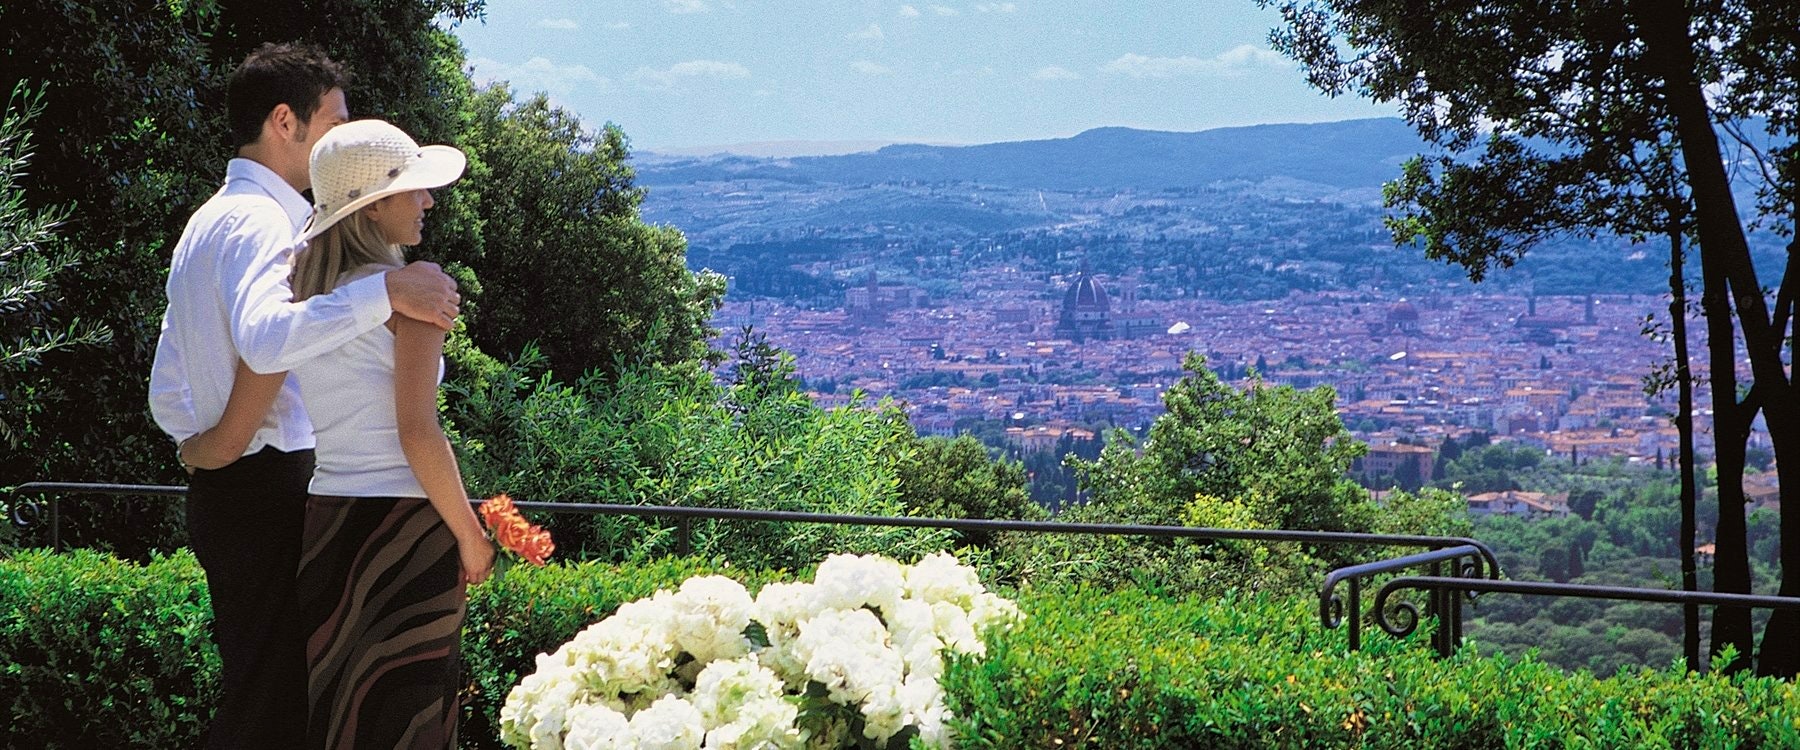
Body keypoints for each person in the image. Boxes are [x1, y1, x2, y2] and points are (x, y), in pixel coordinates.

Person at [147, 42, 461, 750]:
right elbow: (266, 340)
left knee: (264, 692)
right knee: (278, 708)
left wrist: (202, 447)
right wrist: (385, 288)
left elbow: (170, 377)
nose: (341, 141)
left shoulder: (210, 219)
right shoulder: (267, 223)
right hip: (268, 486)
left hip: (232, 488)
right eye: (334, 121)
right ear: (285, 122)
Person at [285, 118, 493, 749]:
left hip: (328, 526)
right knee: (412, 723)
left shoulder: (310, 298)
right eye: (414, 189)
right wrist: (472, 537)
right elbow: (418, 433)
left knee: (343, 718)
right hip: (405, 528)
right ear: (374, 207)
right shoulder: (417, 293)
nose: (428, 200)